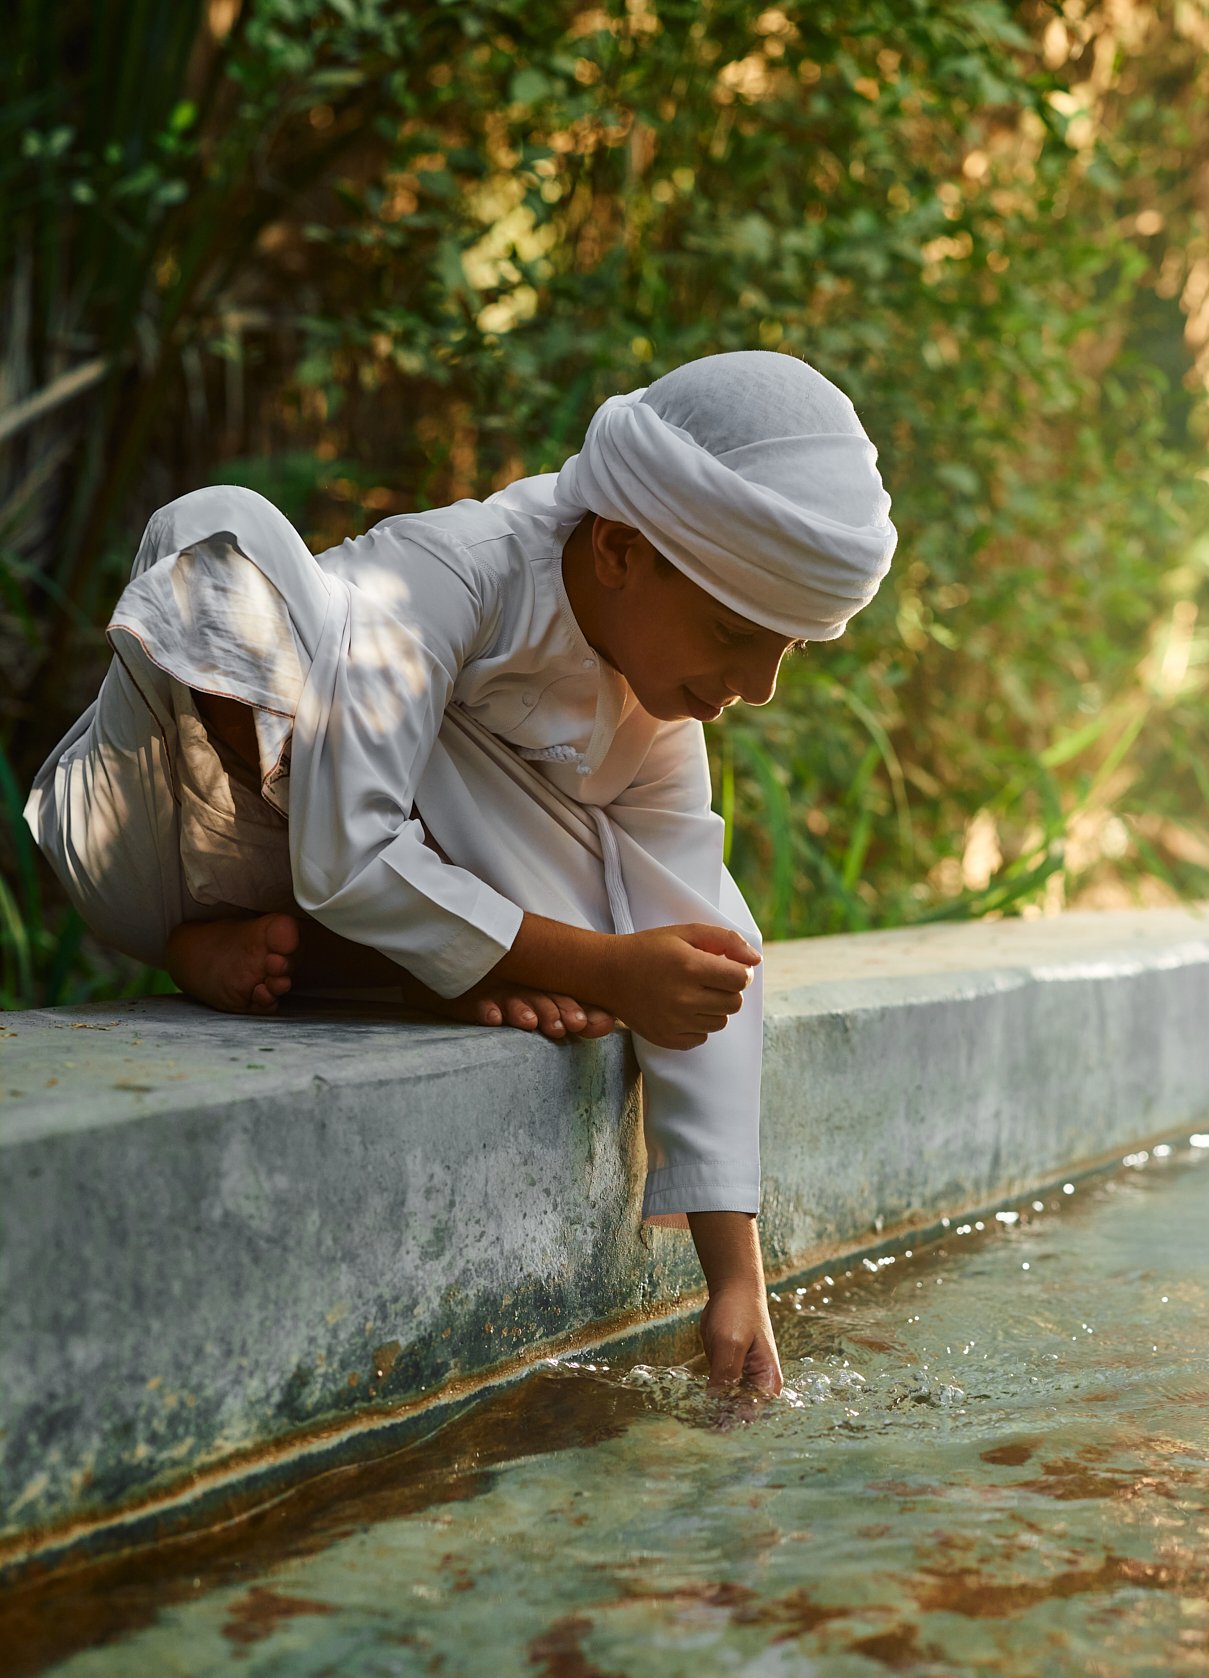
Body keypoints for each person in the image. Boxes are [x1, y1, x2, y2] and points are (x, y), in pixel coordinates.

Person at [24, 350, 899, 1395]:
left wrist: (735, 1281)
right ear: (620, 548)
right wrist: (603, 969)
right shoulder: (455, 569)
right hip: (162, 830)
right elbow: (349, 853)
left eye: (785, 651)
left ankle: (382, 967)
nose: (754, 685)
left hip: (312, 923)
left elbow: (697, 944)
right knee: (218, 536)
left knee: (676, 897)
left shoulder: (654, 707)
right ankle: (425, 962)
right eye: (731, 633)